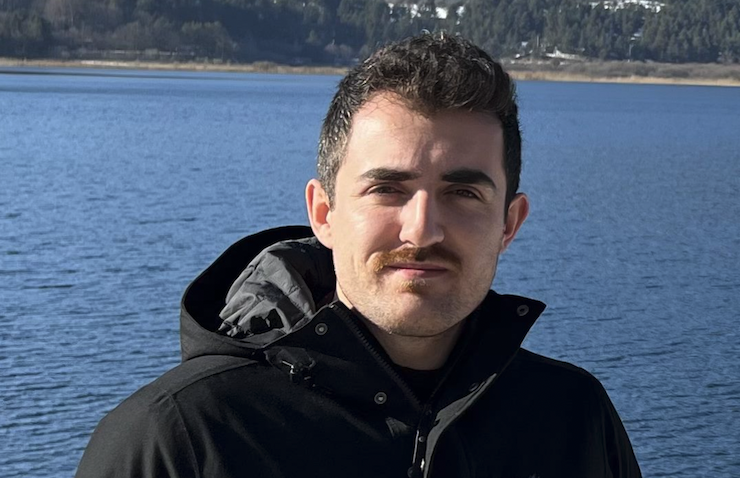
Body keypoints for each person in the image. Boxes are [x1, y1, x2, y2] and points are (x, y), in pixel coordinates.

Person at [76, 33, 641, 478]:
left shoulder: (572, 418)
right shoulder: (181, 437)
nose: (422, 229)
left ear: (509, 224)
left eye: (463, 193)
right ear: (324, 213)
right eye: (387, 189)